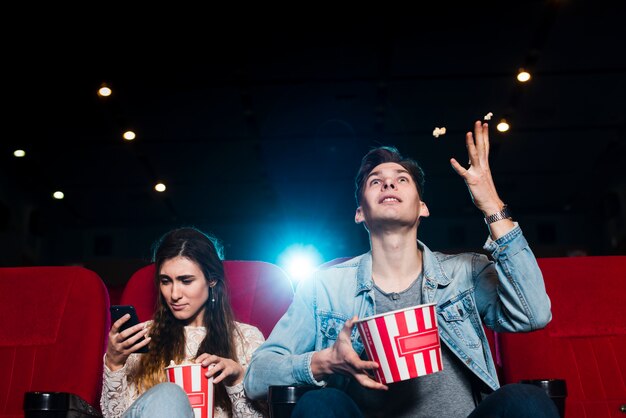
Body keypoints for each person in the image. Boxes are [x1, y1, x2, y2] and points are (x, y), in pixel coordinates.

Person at [243, 121, 559, 418]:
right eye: (376, 181)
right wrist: (326, 361)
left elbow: (534, 313)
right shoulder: (323, 287)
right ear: (359, 213)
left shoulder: (466, 271)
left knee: (526, 400)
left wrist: (491, 204)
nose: (389, 182)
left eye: (401, 179)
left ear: (422, 207)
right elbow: (256, 374)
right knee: (320, 403)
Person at [101, 227, 267, 418]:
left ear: (212, 279)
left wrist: (237, 379)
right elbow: (115, 416)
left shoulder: (246, 338)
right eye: (165, 281)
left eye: (186, 281)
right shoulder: (142, 336)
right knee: (169, 394)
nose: (174, 295)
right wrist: (114, 364)